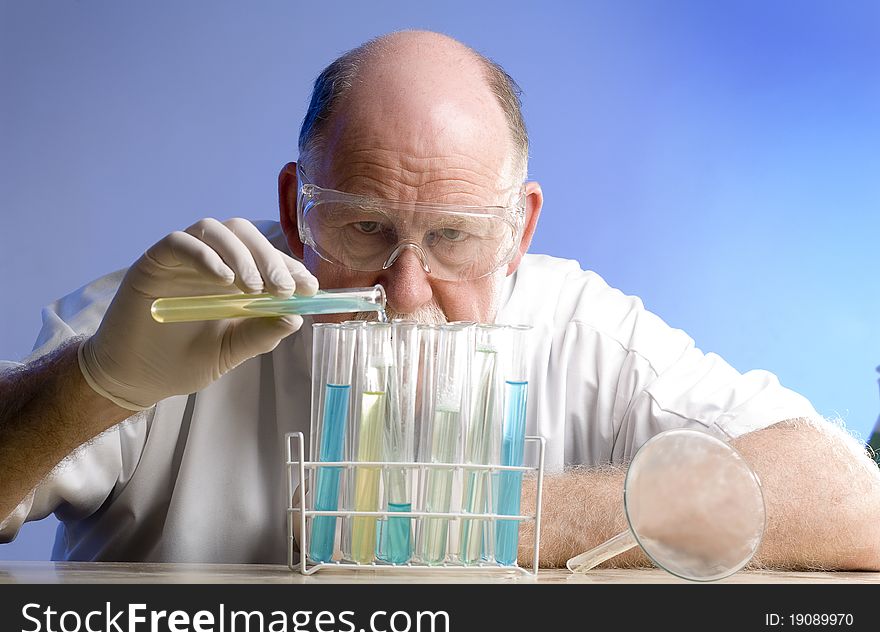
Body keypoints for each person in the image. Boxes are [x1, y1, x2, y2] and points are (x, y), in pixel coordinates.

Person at [1, 30, 878, 569]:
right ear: (293, 212)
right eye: (363, 229)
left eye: (454, 236)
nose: (405, 293)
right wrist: (96, 383)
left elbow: (854, 506)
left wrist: (491, 519)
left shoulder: (583, 330)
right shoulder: (175, 308)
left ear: (520, 229)